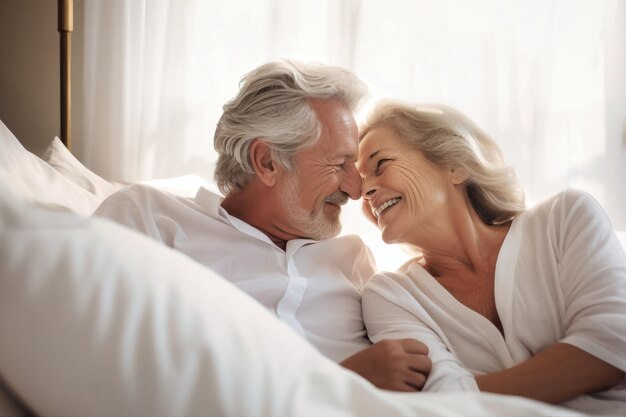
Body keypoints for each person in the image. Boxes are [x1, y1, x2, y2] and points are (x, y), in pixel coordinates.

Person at [94, 60, 431, 392]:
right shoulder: (148, 219)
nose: (355, 189)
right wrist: (339, 382)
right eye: (340, 164)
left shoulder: (355, 259)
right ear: (267, 161)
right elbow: (115, 366)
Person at [356, 100, 626, 414]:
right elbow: (437, 406)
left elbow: (614, 342)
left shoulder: (564, 218)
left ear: (456, 165)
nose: (366, 193)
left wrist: (464, 396)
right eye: (360, 186)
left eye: (381, 164)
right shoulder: (390, 295)